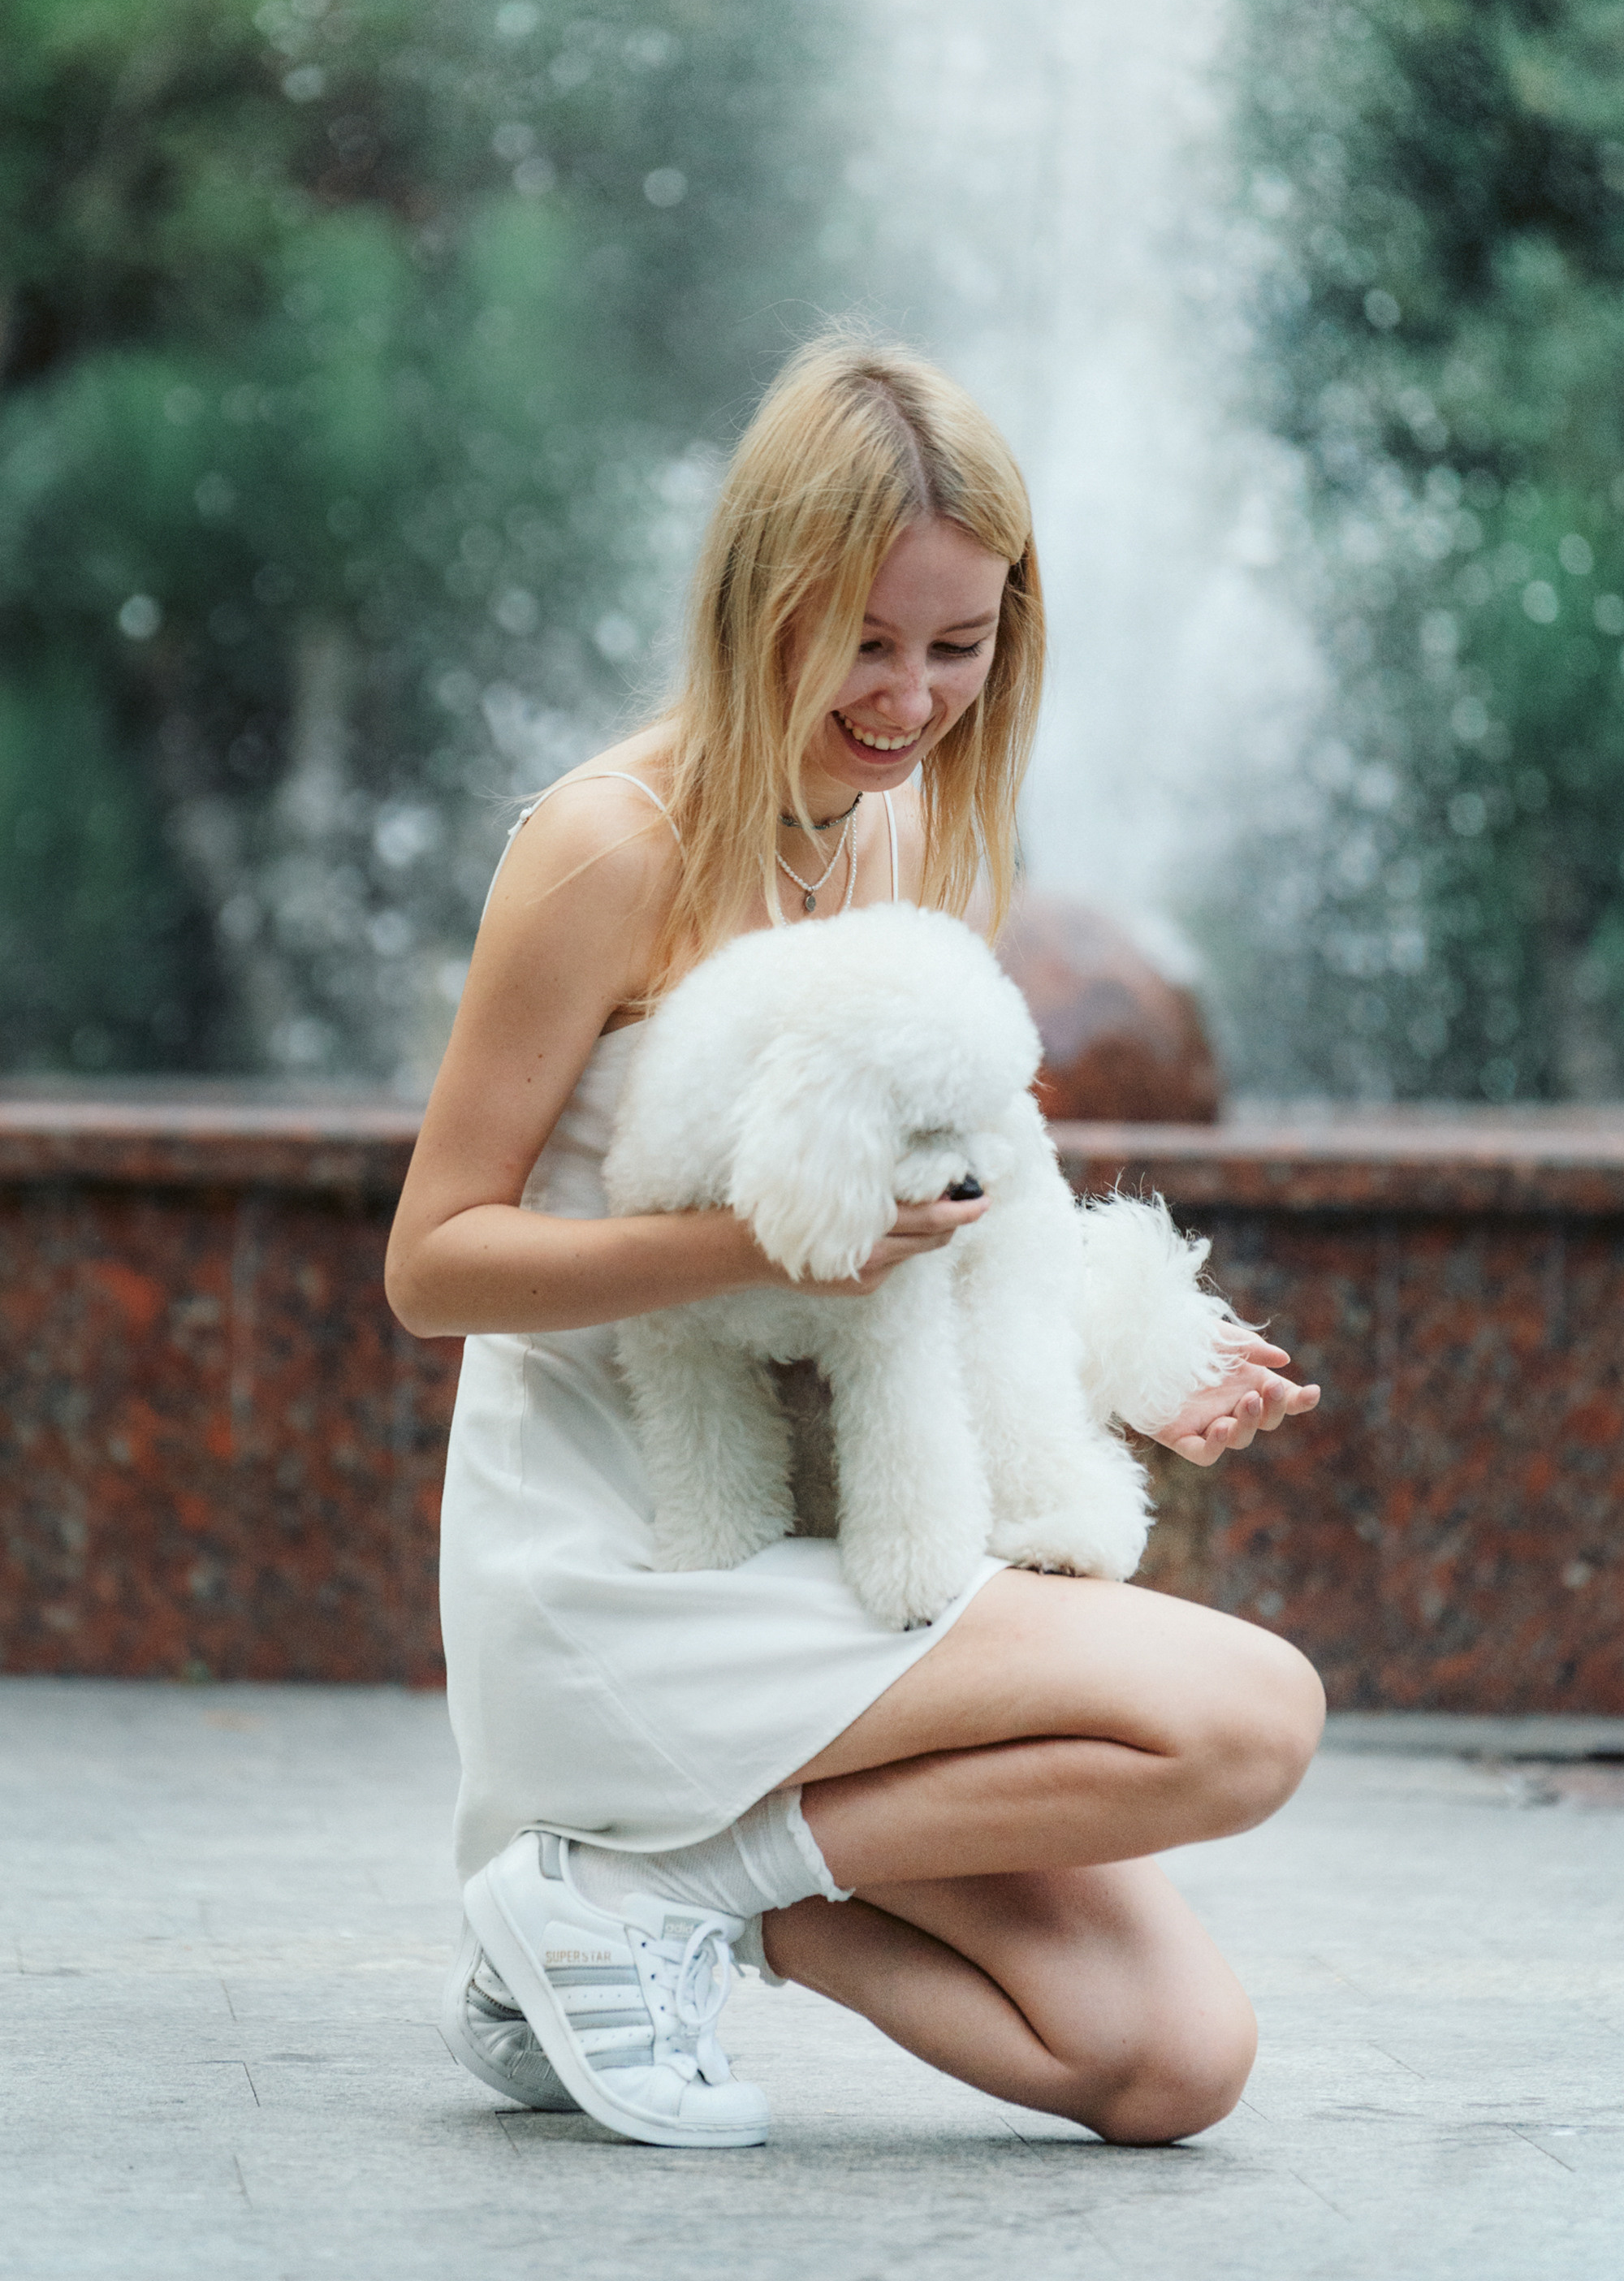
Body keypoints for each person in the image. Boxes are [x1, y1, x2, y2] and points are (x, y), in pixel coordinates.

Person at [385, 333, 1324, 2153]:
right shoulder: (603, 848)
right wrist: (753, 1247)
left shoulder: (879, 830)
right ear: (761, 601)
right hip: (625, 1555)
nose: (907, 699)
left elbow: (970, 1214)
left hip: (818, 1554)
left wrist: (1138, 1347)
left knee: (1167, 2060)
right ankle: (632, 1891)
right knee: (1248, 1717)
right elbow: (435, 1262)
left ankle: (628, 1899)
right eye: (864, 642)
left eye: (957, 648)